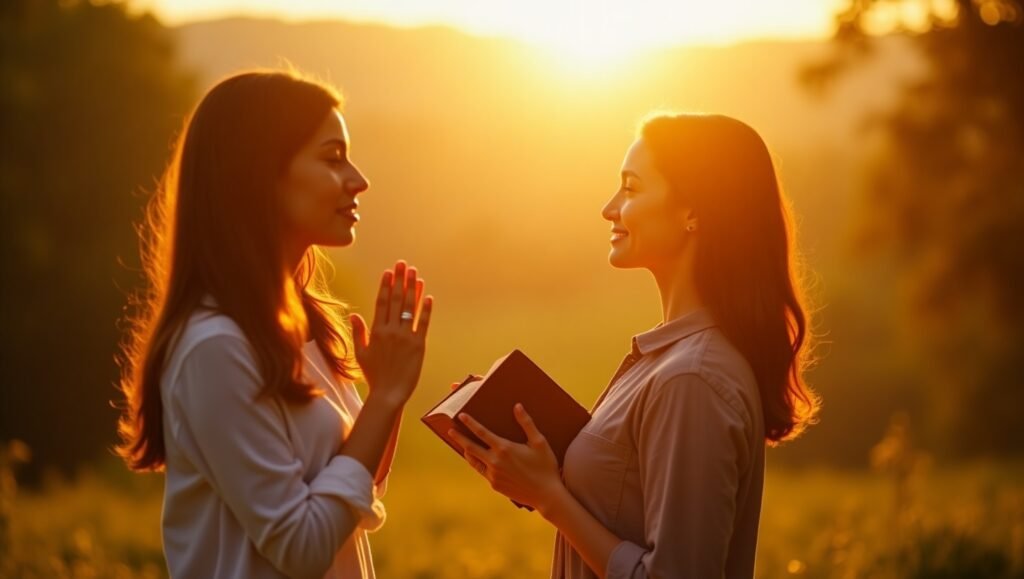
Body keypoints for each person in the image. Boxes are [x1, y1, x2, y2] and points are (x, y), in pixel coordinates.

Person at [449, 113, 820, 578]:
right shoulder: (668, 362)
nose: (609, 208)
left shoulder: (692, 379)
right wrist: (536, 472)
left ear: (693, 212)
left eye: (631, 188)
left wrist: (552, 499)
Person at [115, 69, 434, 579]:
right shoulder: (214, 348)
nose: (358, 179)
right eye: (332, 158)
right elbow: (301, 547)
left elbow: (356, 491)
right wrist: (385, 397)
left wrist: (384, 397)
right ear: (259, 174)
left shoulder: (302, 327)